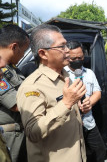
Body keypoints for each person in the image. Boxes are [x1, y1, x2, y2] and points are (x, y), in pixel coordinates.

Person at [16, 24, 87, 162]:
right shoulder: (32, 86)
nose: (68, 51)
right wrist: (66, 103)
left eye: (66, 45)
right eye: (62, 47)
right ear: (43, 53)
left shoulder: (65, 77)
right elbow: (33, 131)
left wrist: (80, 108)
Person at [64, 41, 106, 162]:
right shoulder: (62, 74)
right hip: (71, 125)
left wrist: (90, 102)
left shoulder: (89, 73)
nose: (77, 60)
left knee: (99, 151)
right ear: (67, 57)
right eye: (74, 58)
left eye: (80, 57)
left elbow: (97, 92)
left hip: (89, 122)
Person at [0, 24, 30, 162]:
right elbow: (16, 104)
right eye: (23, 51)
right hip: (9, 137)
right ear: (14, 47)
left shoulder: (12, 68)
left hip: (19, 133)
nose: (23, 55)